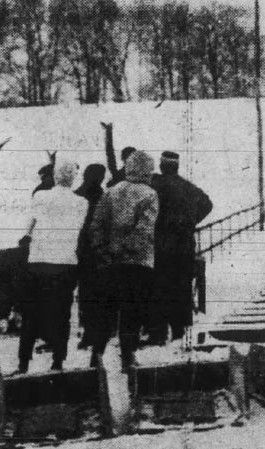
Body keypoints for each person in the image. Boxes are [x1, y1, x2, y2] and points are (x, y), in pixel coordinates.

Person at [16, 158, 88, 373]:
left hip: (38, 262)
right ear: (73, 178)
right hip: (66, 263)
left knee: (31, 315)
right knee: (61, 315)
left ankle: (23, 364)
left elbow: (28, 227)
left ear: (55, 175)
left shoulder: (40, 196)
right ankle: (58, 362)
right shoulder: (82, 202)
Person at [89, 150, 158, 371]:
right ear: (148, 169)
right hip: (138, 263)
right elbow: (144, 229)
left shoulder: (110, 192)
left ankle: (96, 356)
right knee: (132, 311)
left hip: (109, 263)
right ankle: (128, 357)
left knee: (106, 310)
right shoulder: (149, 194)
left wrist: (105, 250)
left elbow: (96, 226)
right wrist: (126, 249)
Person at [151, 151, 213, 343]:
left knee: (159, 287)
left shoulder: (155, 185)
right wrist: (191, 221)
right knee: (182, 288)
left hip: (160, 245)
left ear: (162, 166)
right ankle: (180, 331)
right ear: (176, 167)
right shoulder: (188, 187)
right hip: (184, 245)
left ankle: (158, 333)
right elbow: (207, 204)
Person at [74, 164, 107, 349]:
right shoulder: (104, 197)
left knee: (85, 294)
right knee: (98, 294)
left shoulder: (78, 194)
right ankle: (97, 333)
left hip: (79, 251)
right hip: (98, 252)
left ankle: (87, 333)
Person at [101, 122, 136, 187]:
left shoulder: (119, 175)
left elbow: (110, 157)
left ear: (122, 158)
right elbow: (111, 157)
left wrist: (108, 132)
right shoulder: (142, 175)